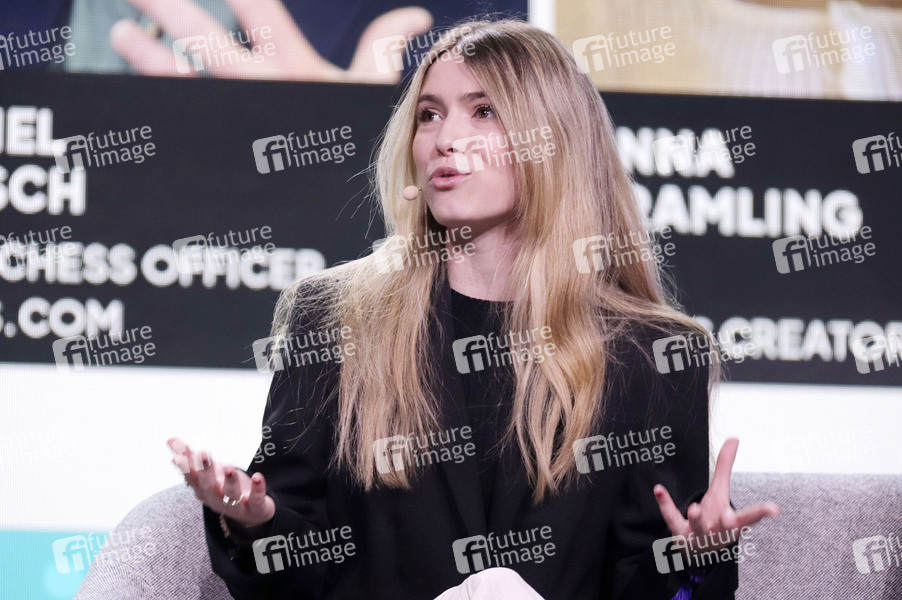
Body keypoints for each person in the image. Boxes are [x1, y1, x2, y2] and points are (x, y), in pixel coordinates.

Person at [169, 18, 779, 599]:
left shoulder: (652, 356)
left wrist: (696, 558)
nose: (444, 139)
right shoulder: (334, 317)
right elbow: (293, 579)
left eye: (484, 111)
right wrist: (254, 520)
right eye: (429, 114)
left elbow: (645, 588)